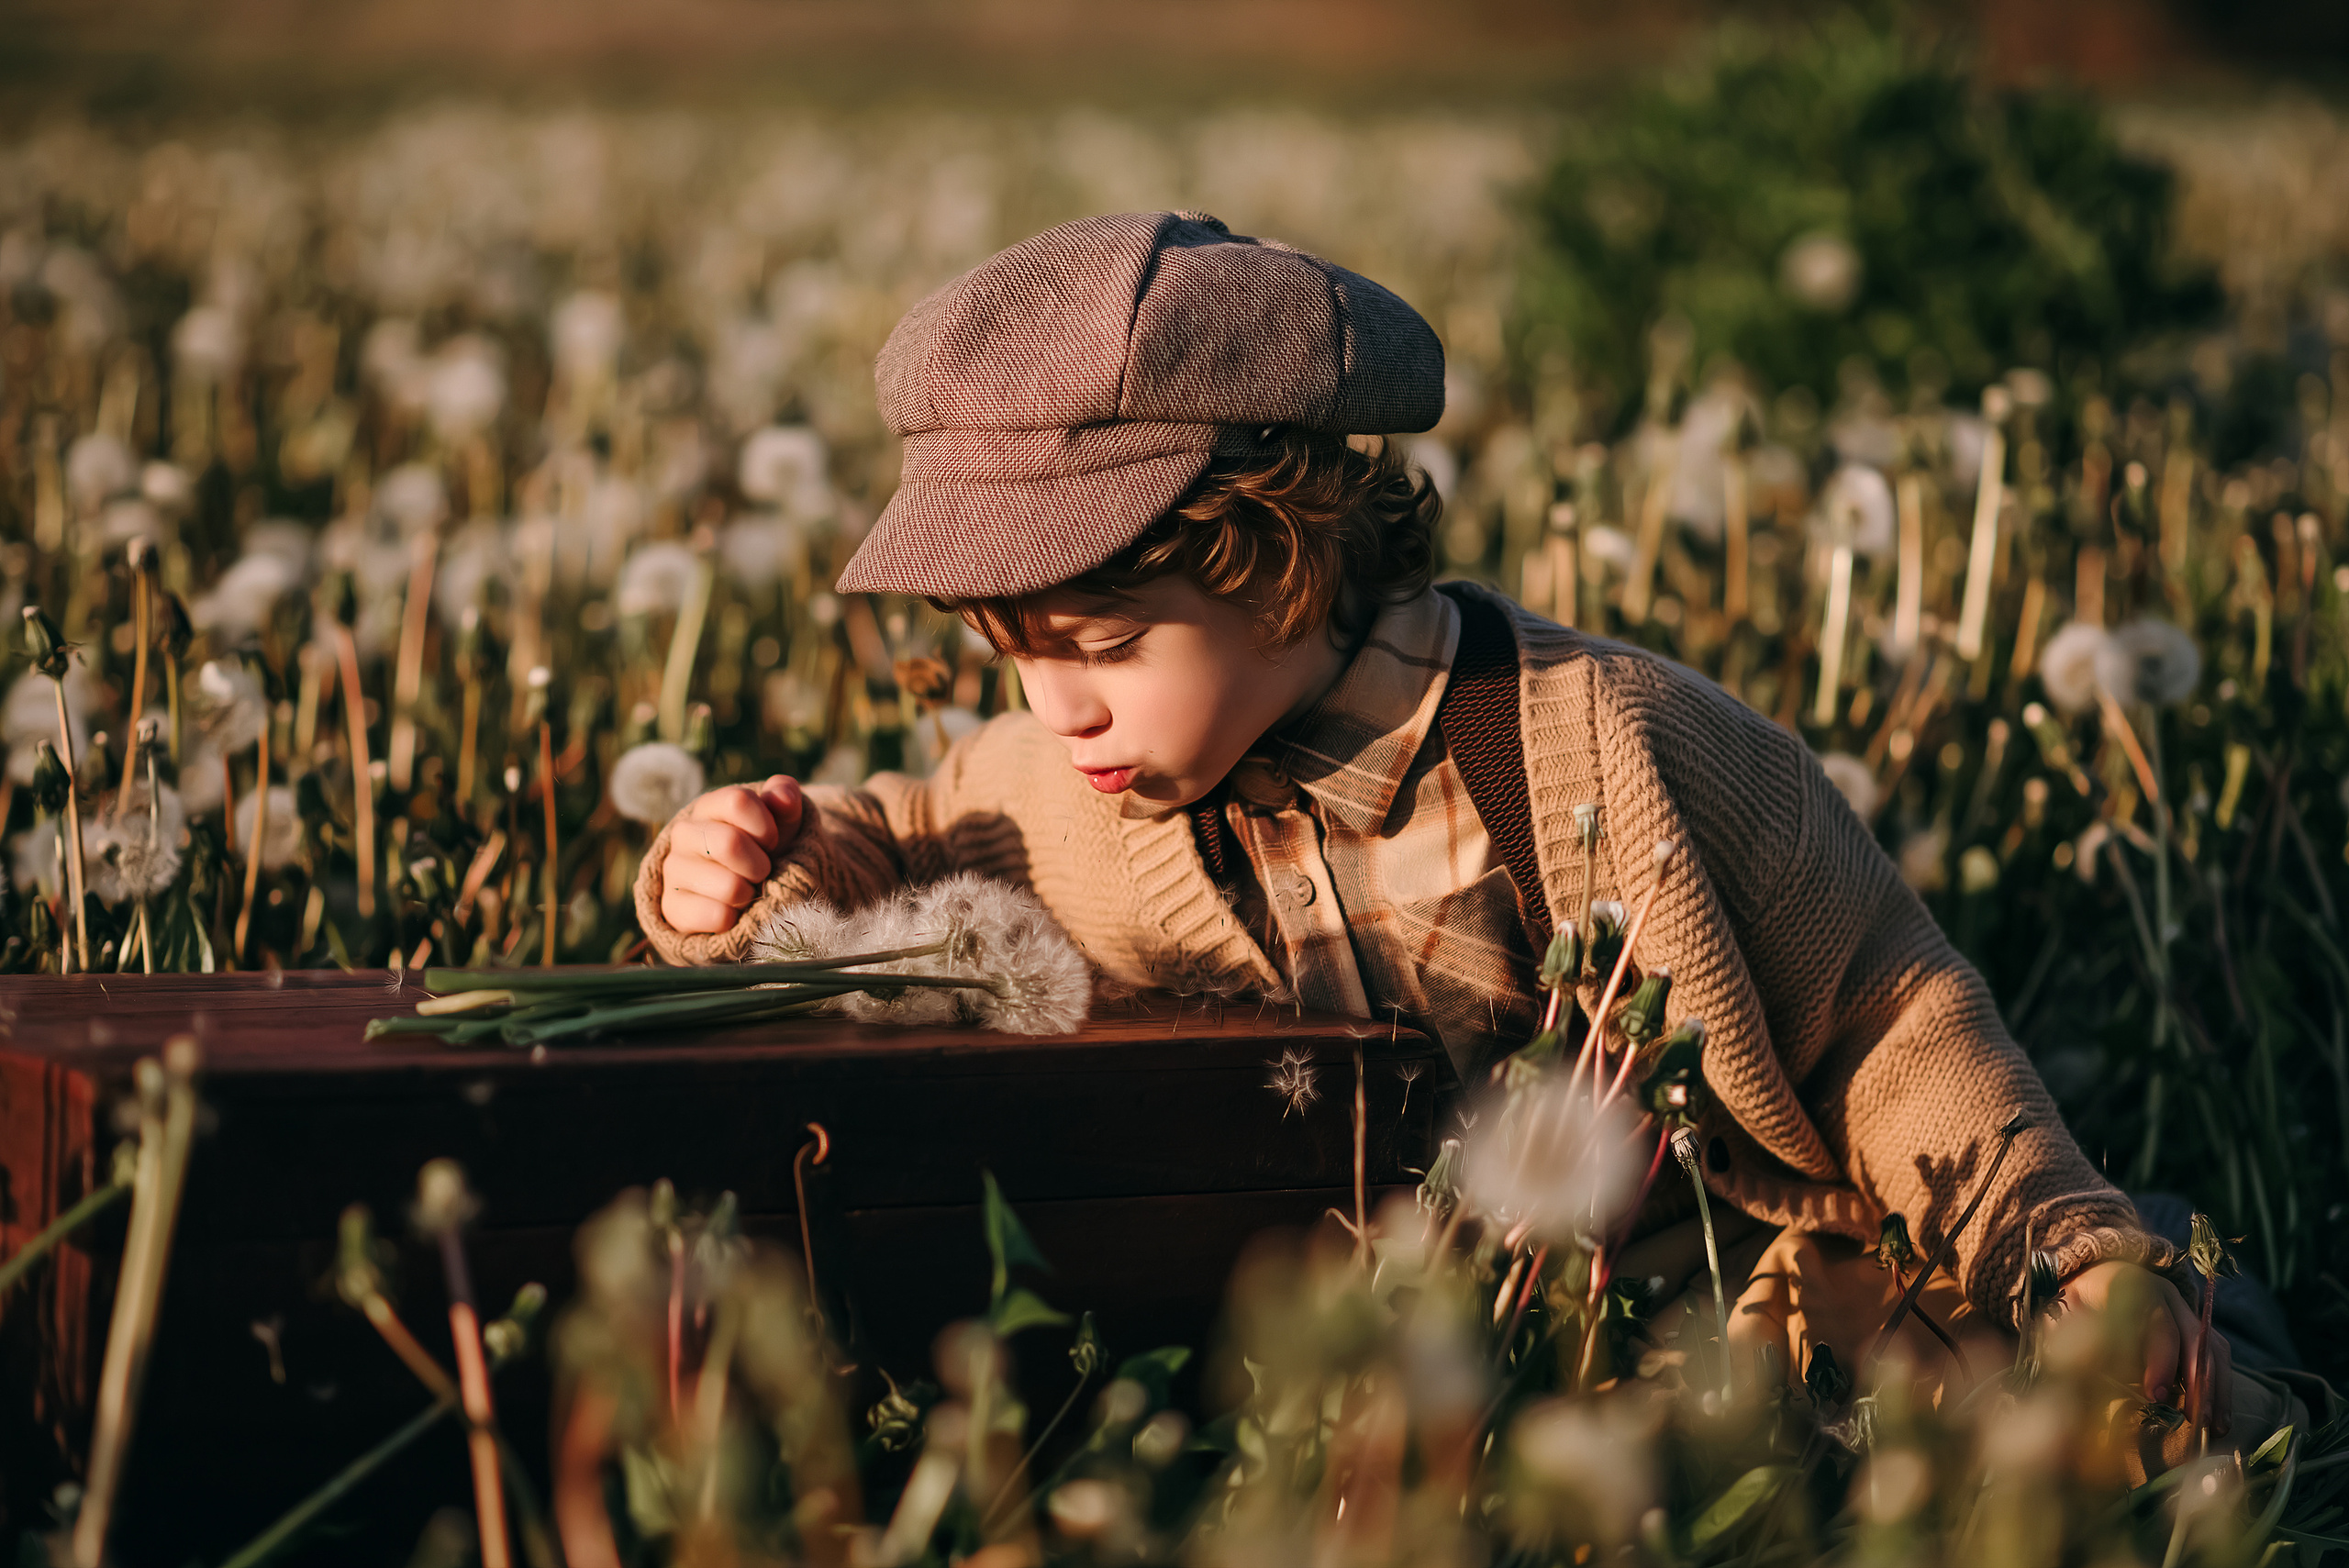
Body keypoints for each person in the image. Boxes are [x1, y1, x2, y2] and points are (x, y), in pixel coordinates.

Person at [635, 211, 2311, 1460]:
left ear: (1274, 555)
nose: (1057, 707)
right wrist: (744, 866)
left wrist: (2057, 1250)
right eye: (1018, 656)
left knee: (2041, 1427)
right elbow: (899, 846)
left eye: (1109, 643)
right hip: (1390, 1350)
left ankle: (2183, 1295)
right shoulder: (1073, 783)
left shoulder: (1614, 741)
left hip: (1723, 1281)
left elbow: (1887, 1015)